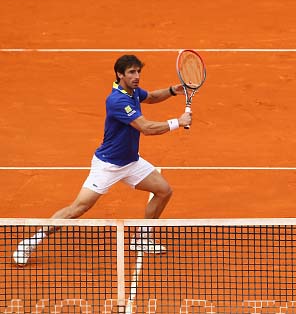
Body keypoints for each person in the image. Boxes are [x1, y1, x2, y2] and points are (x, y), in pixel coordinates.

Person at [13, 54, 192, 265]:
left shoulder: (132, 92)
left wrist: (172, 91)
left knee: (163, 191)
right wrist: (177, 122)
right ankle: (30, 243)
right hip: (107, 165)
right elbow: (146, 128)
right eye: (132, 72)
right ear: (119, 74)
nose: (137, 76)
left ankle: (142, 239)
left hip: (131, 162)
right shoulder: (117, 100)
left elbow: (151, 97)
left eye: (138, 72)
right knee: (77, 209)